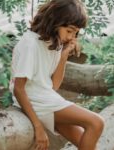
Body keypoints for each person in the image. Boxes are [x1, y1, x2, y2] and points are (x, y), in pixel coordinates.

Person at [9, 0, 104, 149]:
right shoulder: (30, 44)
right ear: (55, 21)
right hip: (35, 101)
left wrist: (64, 54)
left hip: (47, 98)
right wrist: (38, 127)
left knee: (86, 142)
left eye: (75, 33)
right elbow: (18, 89)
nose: (72, 37)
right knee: (96, 122)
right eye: (69, 31)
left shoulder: (54, 43)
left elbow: (53, 86)